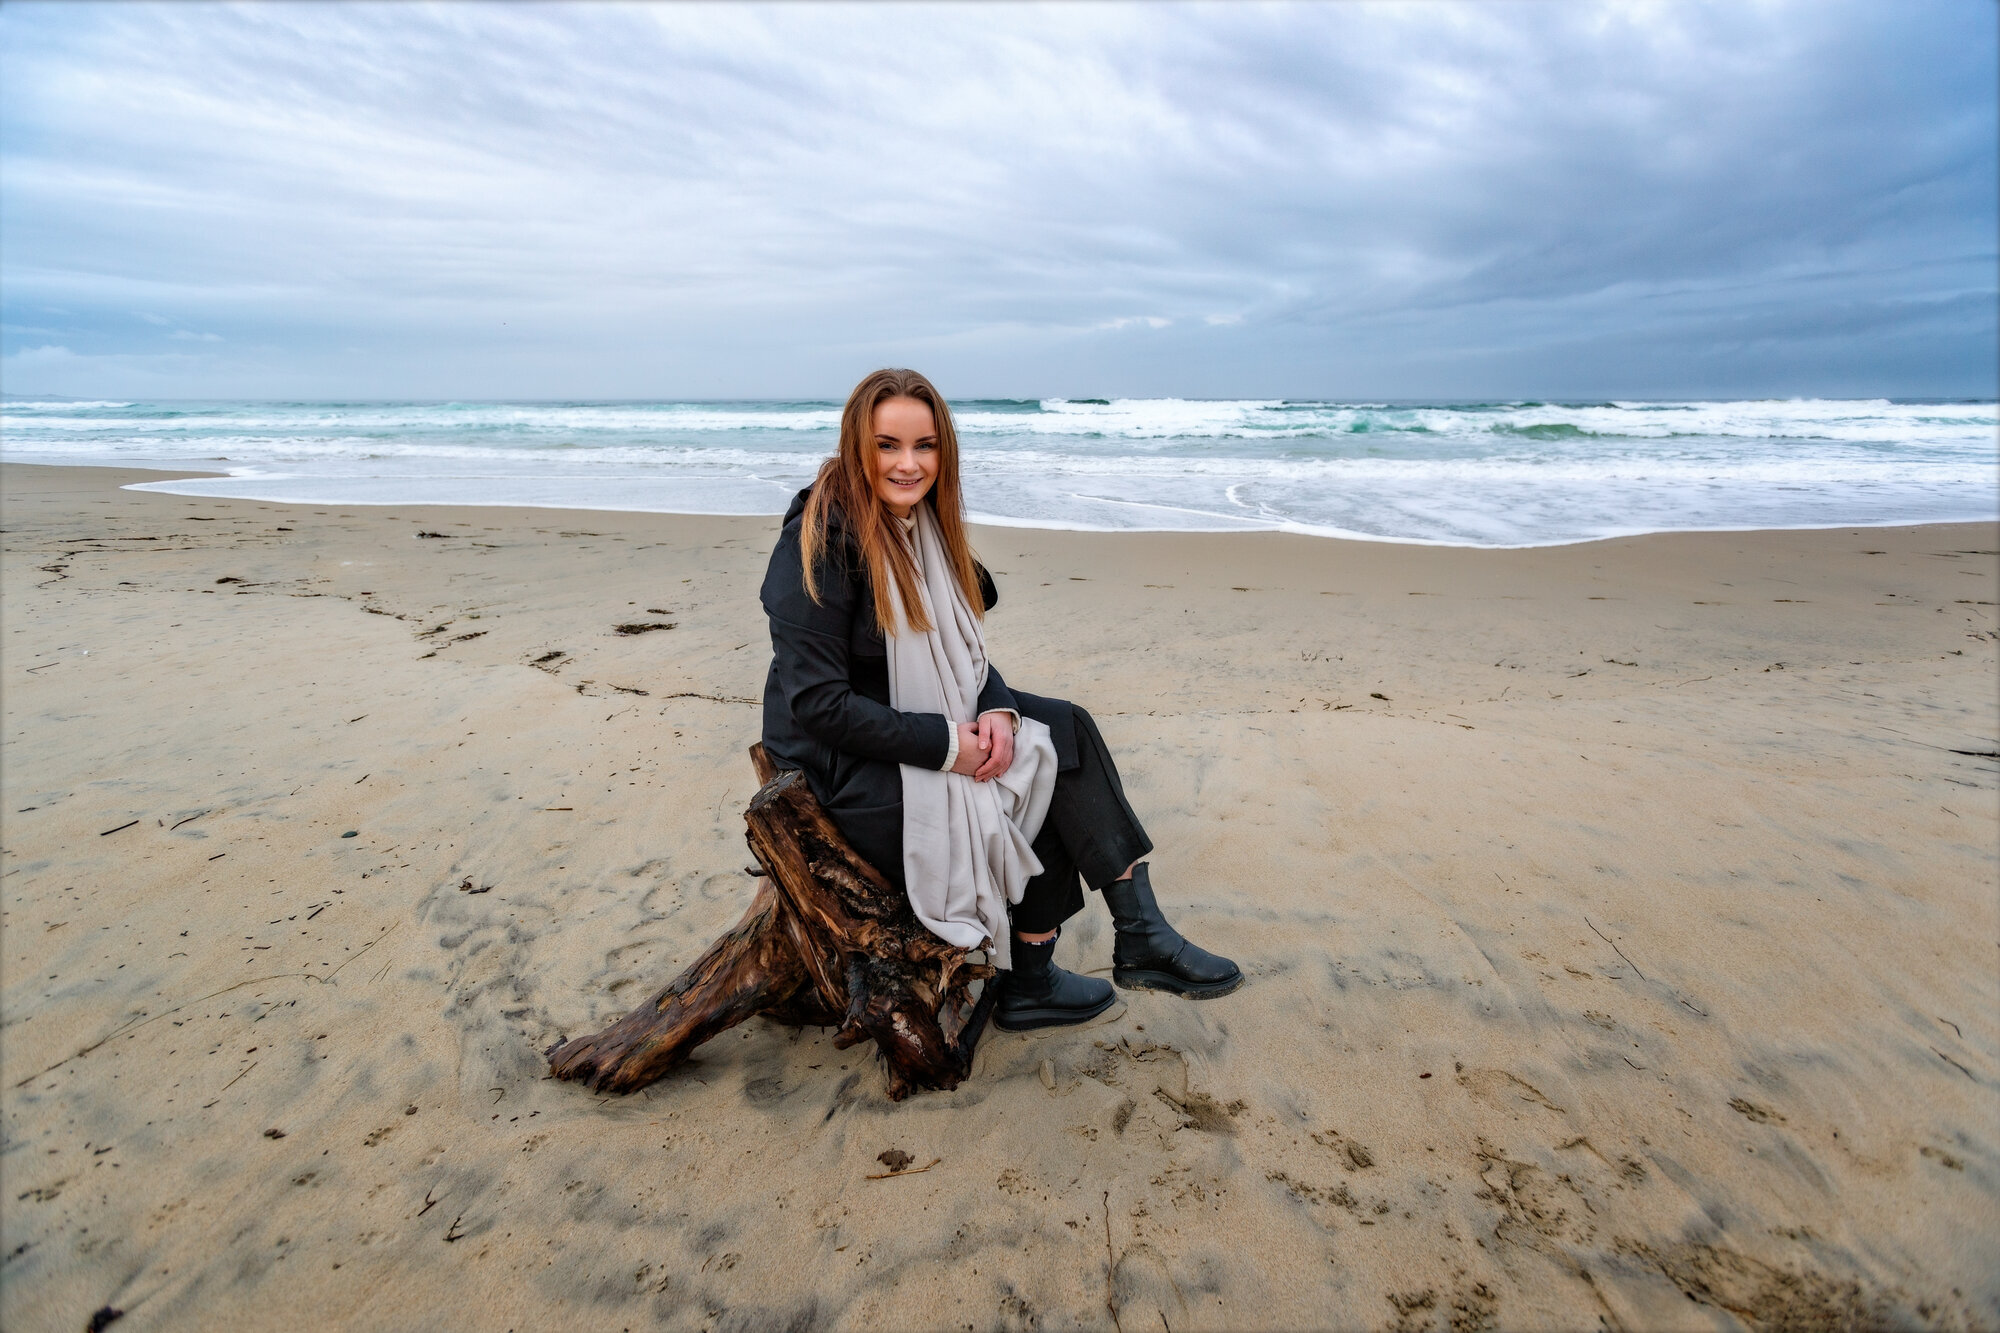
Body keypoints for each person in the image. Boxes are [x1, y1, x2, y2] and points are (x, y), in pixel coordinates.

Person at [759, 368, 1240, 1030]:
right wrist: (954, 746)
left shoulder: (917, 527)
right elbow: (819, 707)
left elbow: (960, 657)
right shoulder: (816, 542)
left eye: (925, 445)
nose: (908, 463)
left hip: (909, 727)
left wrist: (994, 710)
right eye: (887, 444)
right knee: (1022, 767)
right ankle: (1041, 976)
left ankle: (1137, 929)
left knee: (1057, 729)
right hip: (838, 775)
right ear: (855, 445)